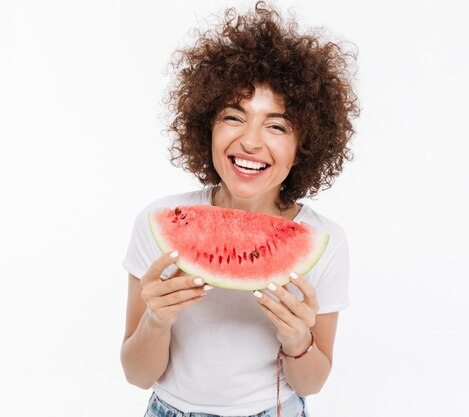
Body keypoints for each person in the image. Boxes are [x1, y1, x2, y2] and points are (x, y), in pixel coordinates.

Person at [120, 2, 359, 416]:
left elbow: (313, 383)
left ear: (304, 145)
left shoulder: (326, 241)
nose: (250, 141)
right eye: (234, 116)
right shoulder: (156, 222)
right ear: (206, 126)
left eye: (276, 125)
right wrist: (156, 320)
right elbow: (138, 375)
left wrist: (298, 338)